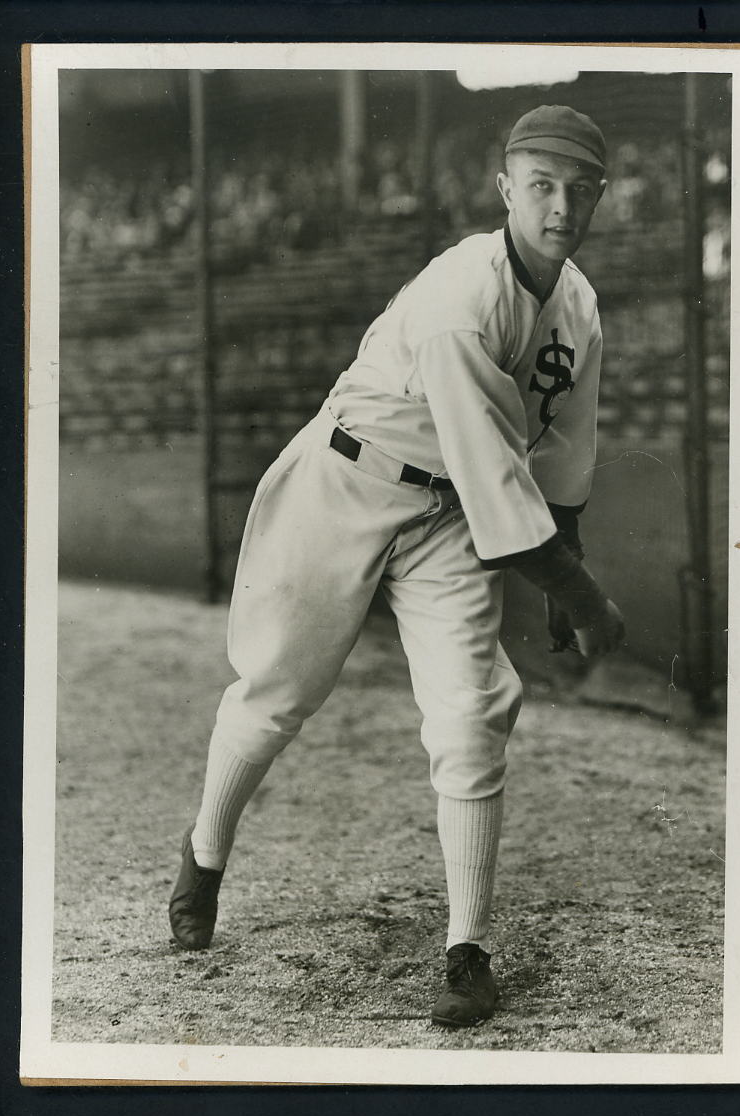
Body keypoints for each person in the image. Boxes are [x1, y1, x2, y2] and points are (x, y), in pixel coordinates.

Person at [169, 105, 625, 1028]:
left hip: (449, 513)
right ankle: (205, 855)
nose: (560, 205)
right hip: (347, 475)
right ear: (505, 190)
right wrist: (583, 595)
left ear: (600, 199)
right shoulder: (465, 299)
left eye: (579, 189)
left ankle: (466, 951)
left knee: (471, 711)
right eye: (540, 184)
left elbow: (565, 455)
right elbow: (501, 484)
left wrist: (564, 562)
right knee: (275, 694)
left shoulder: (577, 306)